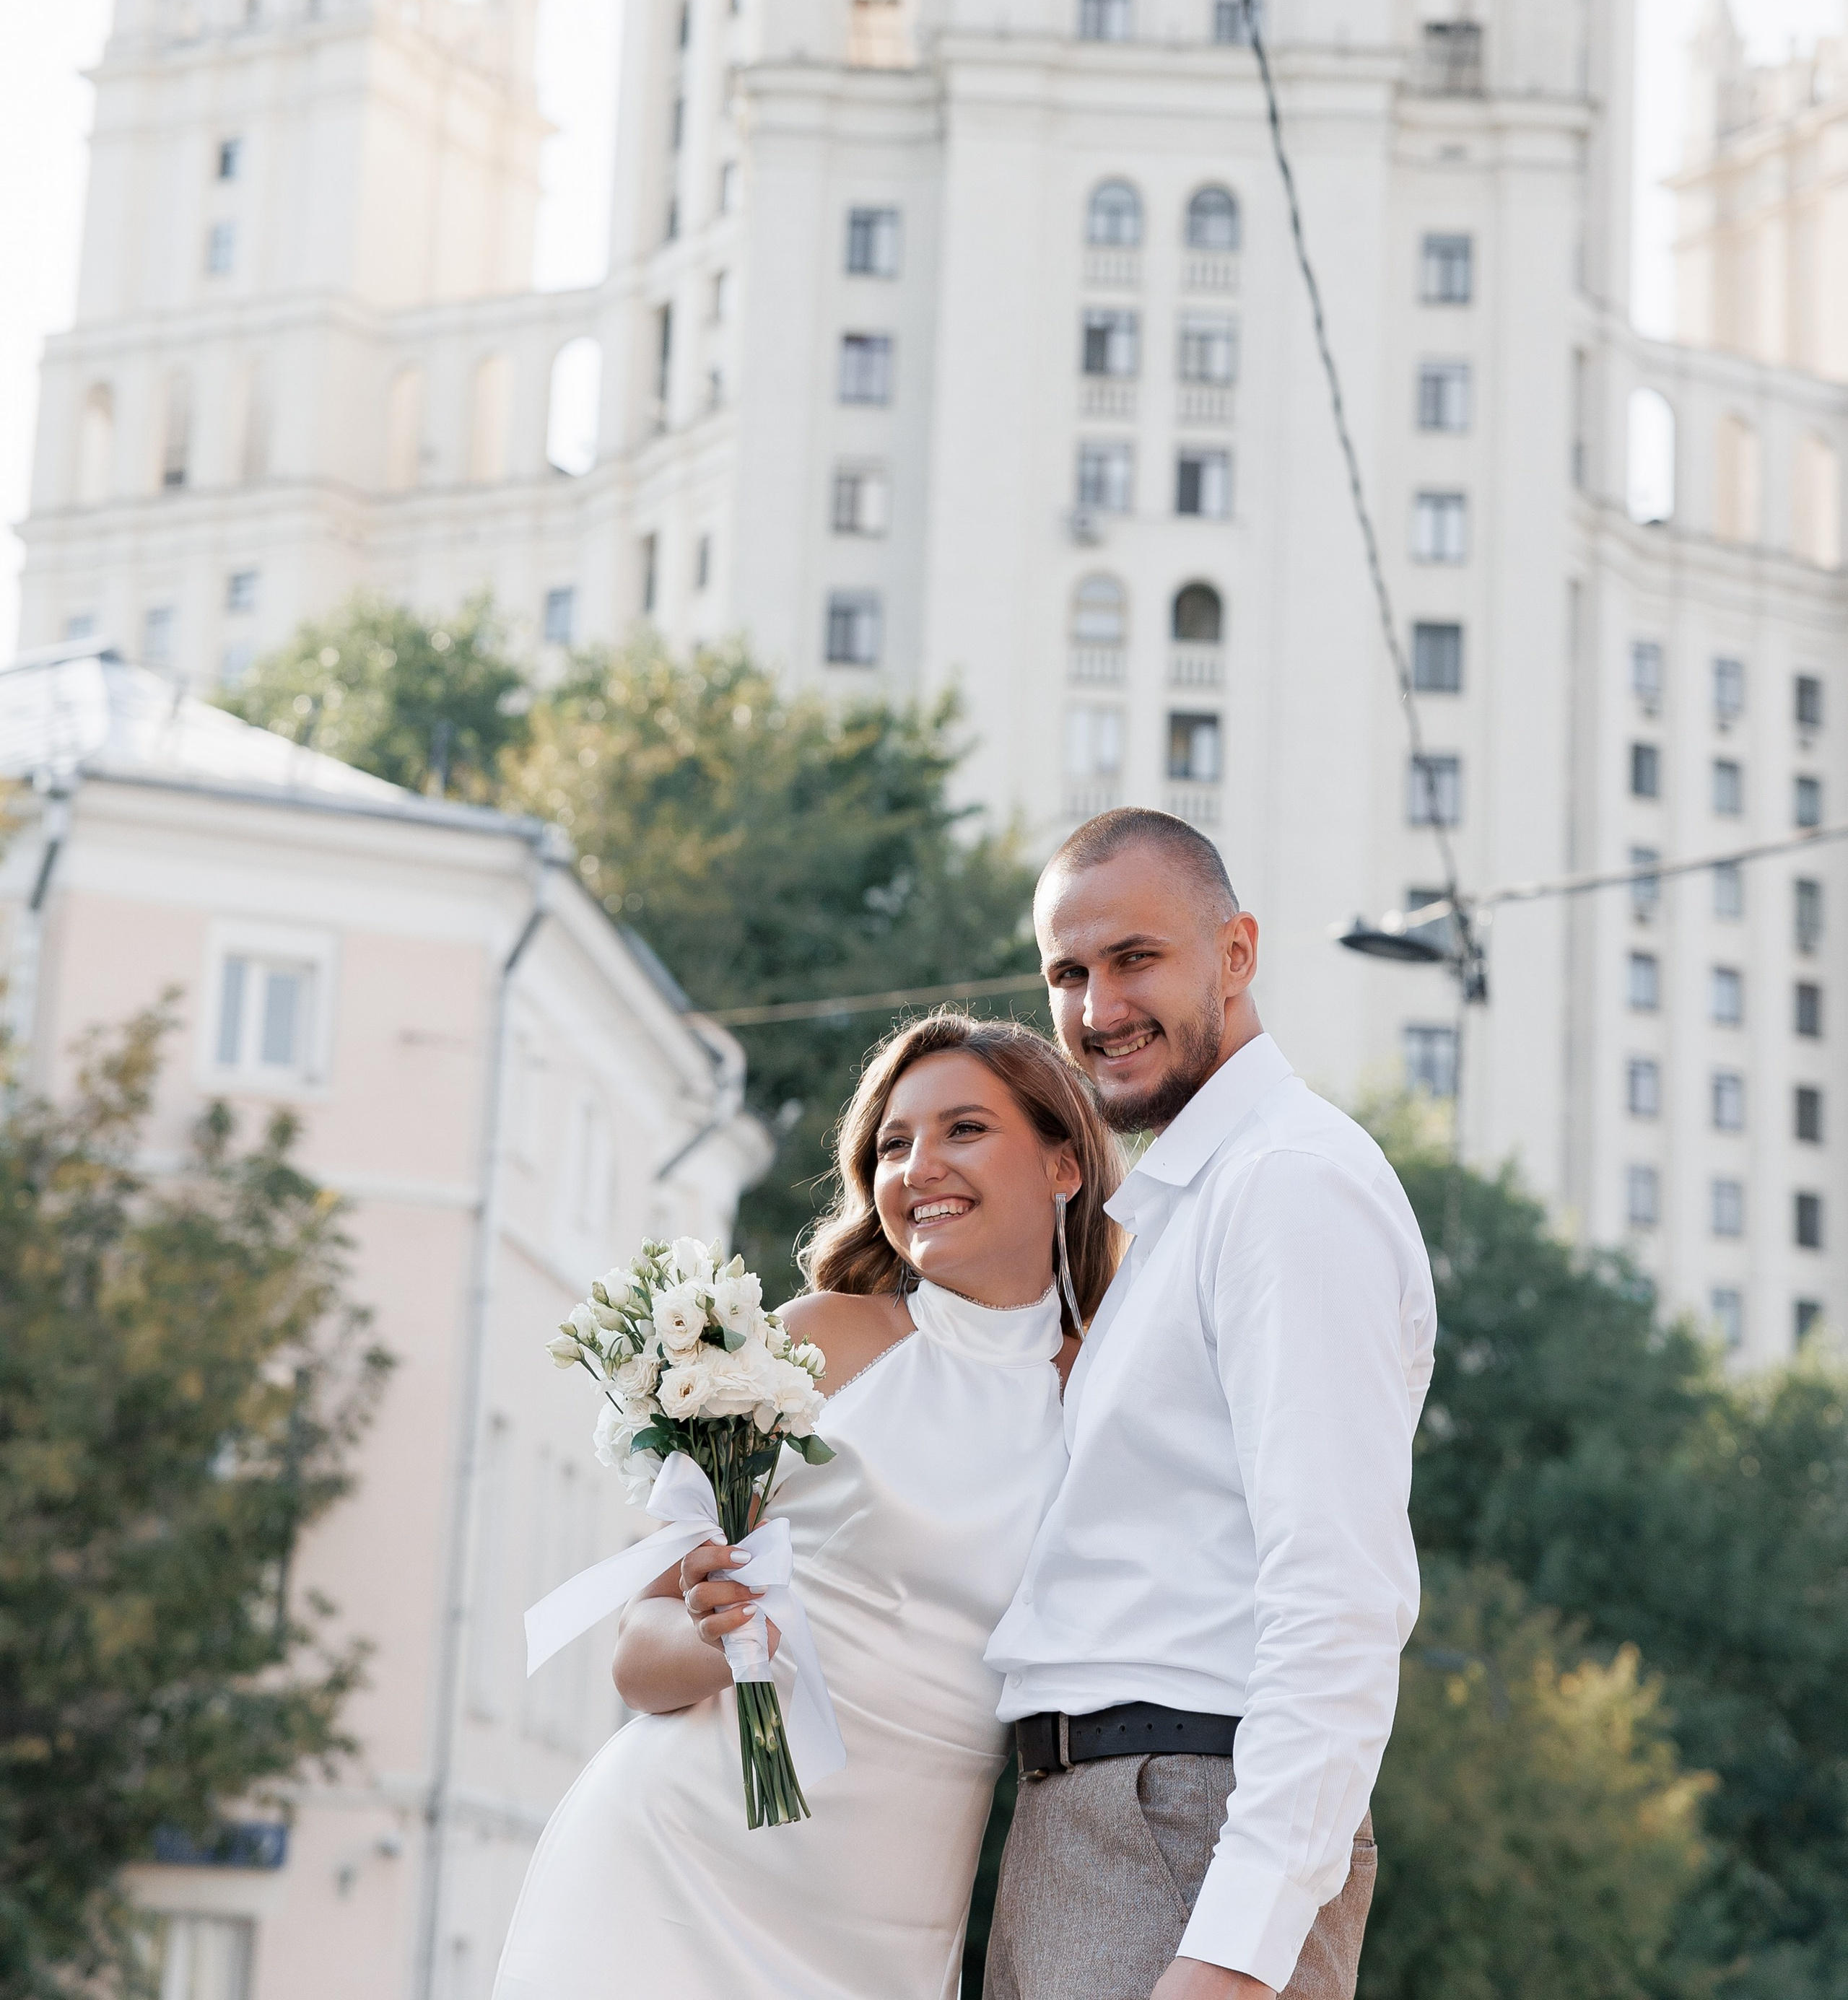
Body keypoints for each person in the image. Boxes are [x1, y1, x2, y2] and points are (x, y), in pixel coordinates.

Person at [491, 1011, 1123, 2000]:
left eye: (965, 1130)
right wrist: (721, 1638)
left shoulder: (1109, 1389)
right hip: (681, 1866)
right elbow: (636, 1652)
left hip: (890, 1920)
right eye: (892, 1144)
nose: (920, 1167)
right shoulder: (819, 1341)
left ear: (1063, 1165)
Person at [983, 808, 1437, 2000]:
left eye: (1136, 959)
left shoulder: (1289, 1187)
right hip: (1093, 1825)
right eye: (1067, 974)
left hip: (1180, 1825)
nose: (1096, 1008)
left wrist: (1236, 1952)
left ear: (1236, 954)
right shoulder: (1178, 1213)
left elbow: (1338, 1594)